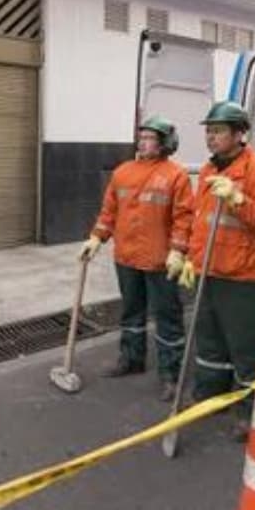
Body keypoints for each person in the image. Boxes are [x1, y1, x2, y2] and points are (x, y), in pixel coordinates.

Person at [173, 101, 255, 440]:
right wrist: (190, 258)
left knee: (246, 346)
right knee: (209, 341)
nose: (211, 137)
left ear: (239, 134)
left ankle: (254, 410)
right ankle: (211, 393)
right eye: (208, 131)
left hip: (243, 276)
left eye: (218, 131)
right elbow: (200, 222)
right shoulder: (207, 171)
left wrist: (239, 199)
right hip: (210, 271)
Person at [80, 116, 194, 401]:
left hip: (160, 261)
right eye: (141, 137)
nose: (144, 142)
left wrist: (178, 251)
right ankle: (131, 358)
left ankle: (170, 373)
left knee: (168, 318)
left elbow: (184, 219)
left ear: (166, 143)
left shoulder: (176, 175)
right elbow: (109, 212)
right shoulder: (122, 172)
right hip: (127, 257)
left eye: (150, 138)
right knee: (131, 312)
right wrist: (96, 237)